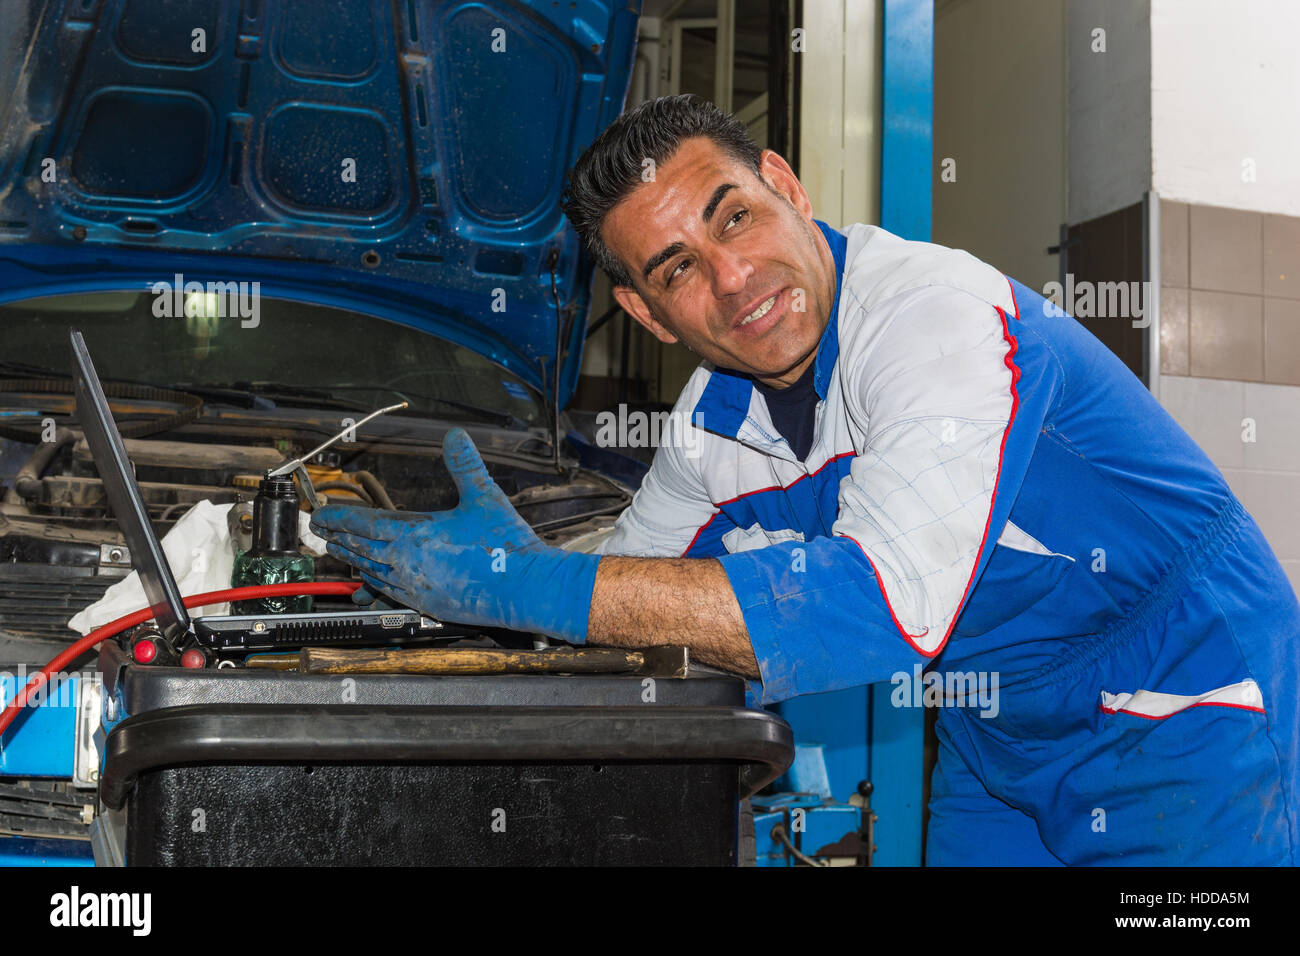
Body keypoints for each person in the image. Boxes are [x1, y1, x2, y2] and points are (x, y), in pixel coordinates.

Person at [311, 94, 1299, 865]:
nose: (734, 279)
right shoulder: (712, 428)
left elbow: (875, 605)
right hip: (999, 723)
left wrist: (524, 584)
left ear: (786, 184)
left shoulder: (932, 317)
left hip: (1189, 685)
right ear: (646, 315)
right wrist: (501, 592)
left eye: (734, 215)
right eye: (677, 268)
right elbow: (629, 595)